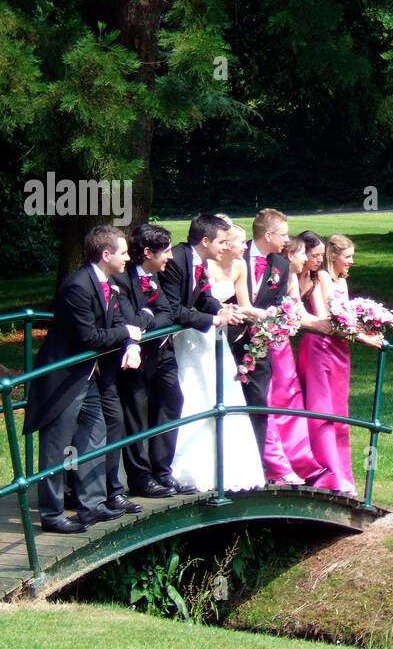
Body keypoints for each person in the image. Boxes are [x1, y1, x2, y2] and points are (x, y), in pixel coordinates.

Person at [23, 225, 142, 533]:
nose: (129, 258)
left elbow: (117, 321)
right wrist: (127, 333)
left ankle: (93, 505)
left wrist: (130, 341)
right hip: (62, 378)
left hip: (87, 375)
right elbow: (89, 336)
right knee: (56, 447)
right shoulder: (78, 286)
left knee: (94, 434)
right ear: (106, 255)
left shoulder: (108, 282)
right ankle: (52, 515)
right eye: (124, 252)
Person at [167, 216, 264, 492]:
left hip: (209, 337)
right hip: (189, 339)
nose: (226, 246)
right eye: (222, 241)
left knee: (219, 393)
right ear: (206, 241)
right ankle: (183, 471)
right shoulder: (177, 259)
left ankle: (224, 468)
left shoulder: (198, 261)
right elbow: (175, 309)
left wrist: (221, 310)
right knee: (191, 394)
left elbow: (204, 296)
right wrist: (212, 320)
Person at [300, 233, 383, 496]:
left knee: (340, 412)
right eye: (347, 257)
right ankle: (326, 474)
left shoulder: (341, 281)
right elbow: (329, 320)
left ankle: (342, 476)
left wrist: (369, 324)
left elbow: (344, 317)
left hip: (340, 348)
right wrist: (364, 337)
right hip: (321, 347)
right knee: (322, 409)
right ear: (333, 256)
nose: (351, 261)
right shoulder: (322, 277)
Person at [113, 222, 176, 499]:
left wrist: (147, 317)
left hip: (162, 355)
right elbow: (130, 321)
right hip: (135, 358)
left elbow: (167, 314)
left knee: (172, 403)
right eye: (166, 251)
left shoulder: (155, 276)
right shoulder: (122, 278)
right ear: (148, 252)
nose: (170, 257)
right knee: (135, 414)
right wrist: (148, 317)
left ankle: (162, 470)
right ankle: (140, 478)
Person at [262, 232, 329, 485]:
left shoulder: (295, 275)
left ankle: (299, 460)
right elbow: (293, 314)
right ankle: (279, 466)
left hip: (283, 344)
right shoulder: (281, 276)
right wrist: (324, 325)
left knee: (290, 398)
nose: (311, 260)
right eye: (305, 254)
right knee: (281, 399)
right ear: (291, 255)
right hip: (274, 343)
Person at [230, 209, 293, 458]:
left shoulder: (281, 265)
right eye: (284, 235)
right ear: (268, 235)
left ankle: (255, 464)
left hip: (258, 346)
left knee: (258, 403)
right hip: (229, 340)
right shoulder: (235, 254)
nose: (287, 240)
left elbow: (276, 303)